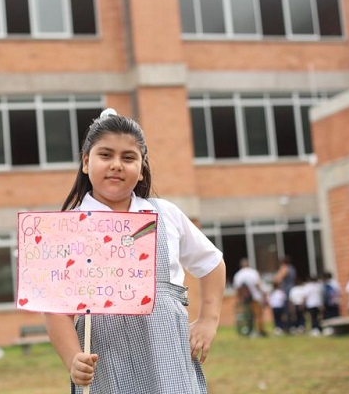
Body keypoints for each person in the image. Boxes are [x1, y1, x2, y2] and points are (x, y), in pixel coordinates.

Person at [43, 109, 226, 394]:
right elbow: (56, 311)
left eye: (128, 158)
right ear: (86, 162)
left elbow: (212, 262)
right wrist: (72, 358)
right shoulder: (69, 229)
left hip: (168, 349)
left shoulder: (165, 214)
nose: (117, 165)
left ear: (141, 168)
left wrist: (208, 320)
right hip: (105, 356)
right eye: (106, 155)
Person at [233, 258, 267, 337]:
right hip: (256, 297)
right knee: (258, 315)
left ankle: (249, 331)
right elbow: (258, 284)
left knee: (247, 316)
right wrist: (264, 294)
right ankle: (259, 331)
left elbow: (238, 288)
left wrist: (239, 298)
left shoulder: (238, 274)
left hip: (244, 300)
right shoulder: (253, 272)